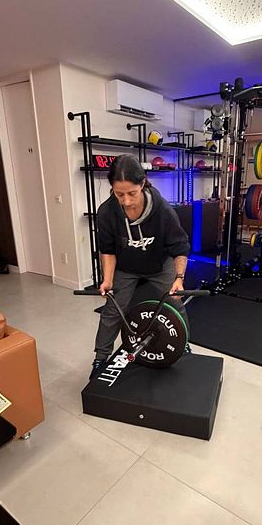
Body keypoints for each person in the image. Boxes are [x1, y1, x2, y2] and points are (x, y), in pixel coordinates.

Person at [90, 155, 191, 378]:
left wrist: (179, 278)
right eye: (119, 194)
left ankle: (182, 343)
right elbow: (107, 250)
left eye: (132, 193)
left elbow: (180, 247)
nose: (126, 201)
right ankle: (100, 358)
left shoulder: (163, 210)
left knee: (175, 301)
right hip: (126, 266)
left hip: (159, 263)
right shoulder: (107, 213)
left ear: (143, 183)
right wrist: (107, 280)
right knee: (113, 310)